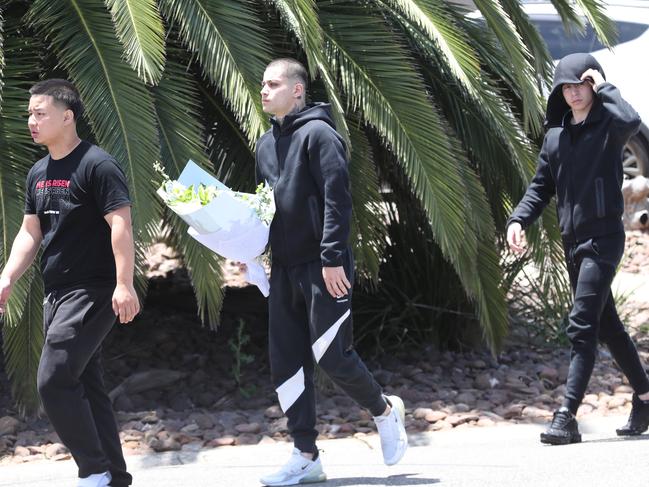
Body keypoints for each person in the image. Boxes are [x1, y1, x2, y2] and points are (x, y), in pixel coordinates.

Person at [255, 58, 408, 485]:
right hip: (283, 269)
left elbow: (338, 200)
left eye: (273, 84)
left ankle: (384, 411)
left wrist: (332, 258)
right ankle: (305, 453)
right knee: (286, 362)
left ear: (297, 90)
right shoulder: (265, 145)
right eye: (262, 84)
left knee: (332, 355)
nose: (263, 90)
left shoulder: (320, 135)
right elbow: (262, 208)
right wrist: (251, 254)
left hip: (325, 266)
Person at [0, 79, 139, 486]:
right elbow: (30, 233)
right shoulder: (39, 173)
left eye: (40, 113)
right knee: (85, 383)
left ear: (67, 116)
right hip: (57, 294)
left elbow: (121, 224)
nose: (32, 121)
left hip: (93, 291)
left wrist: (124, 283)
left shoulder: (97, 165)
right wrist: (7, 276)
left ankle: (92, 471)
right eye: (29, 113)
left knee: (54, 378)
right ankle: (113, 475)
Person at [506, 53, 649, 445]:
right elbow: (540, 187)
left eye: (580, 85)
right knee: (607, 325)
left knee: (582, 324)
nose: (573, 93)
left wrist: (604, 85)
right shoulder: (556, 137)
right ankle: (645, 395)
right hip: (573, 242)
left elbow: (631, 120)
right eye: (566, 87)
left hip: (604, 240)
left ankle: (566, 415)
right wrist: (518, 219)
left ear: (590, 85)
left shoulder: (609, 127)